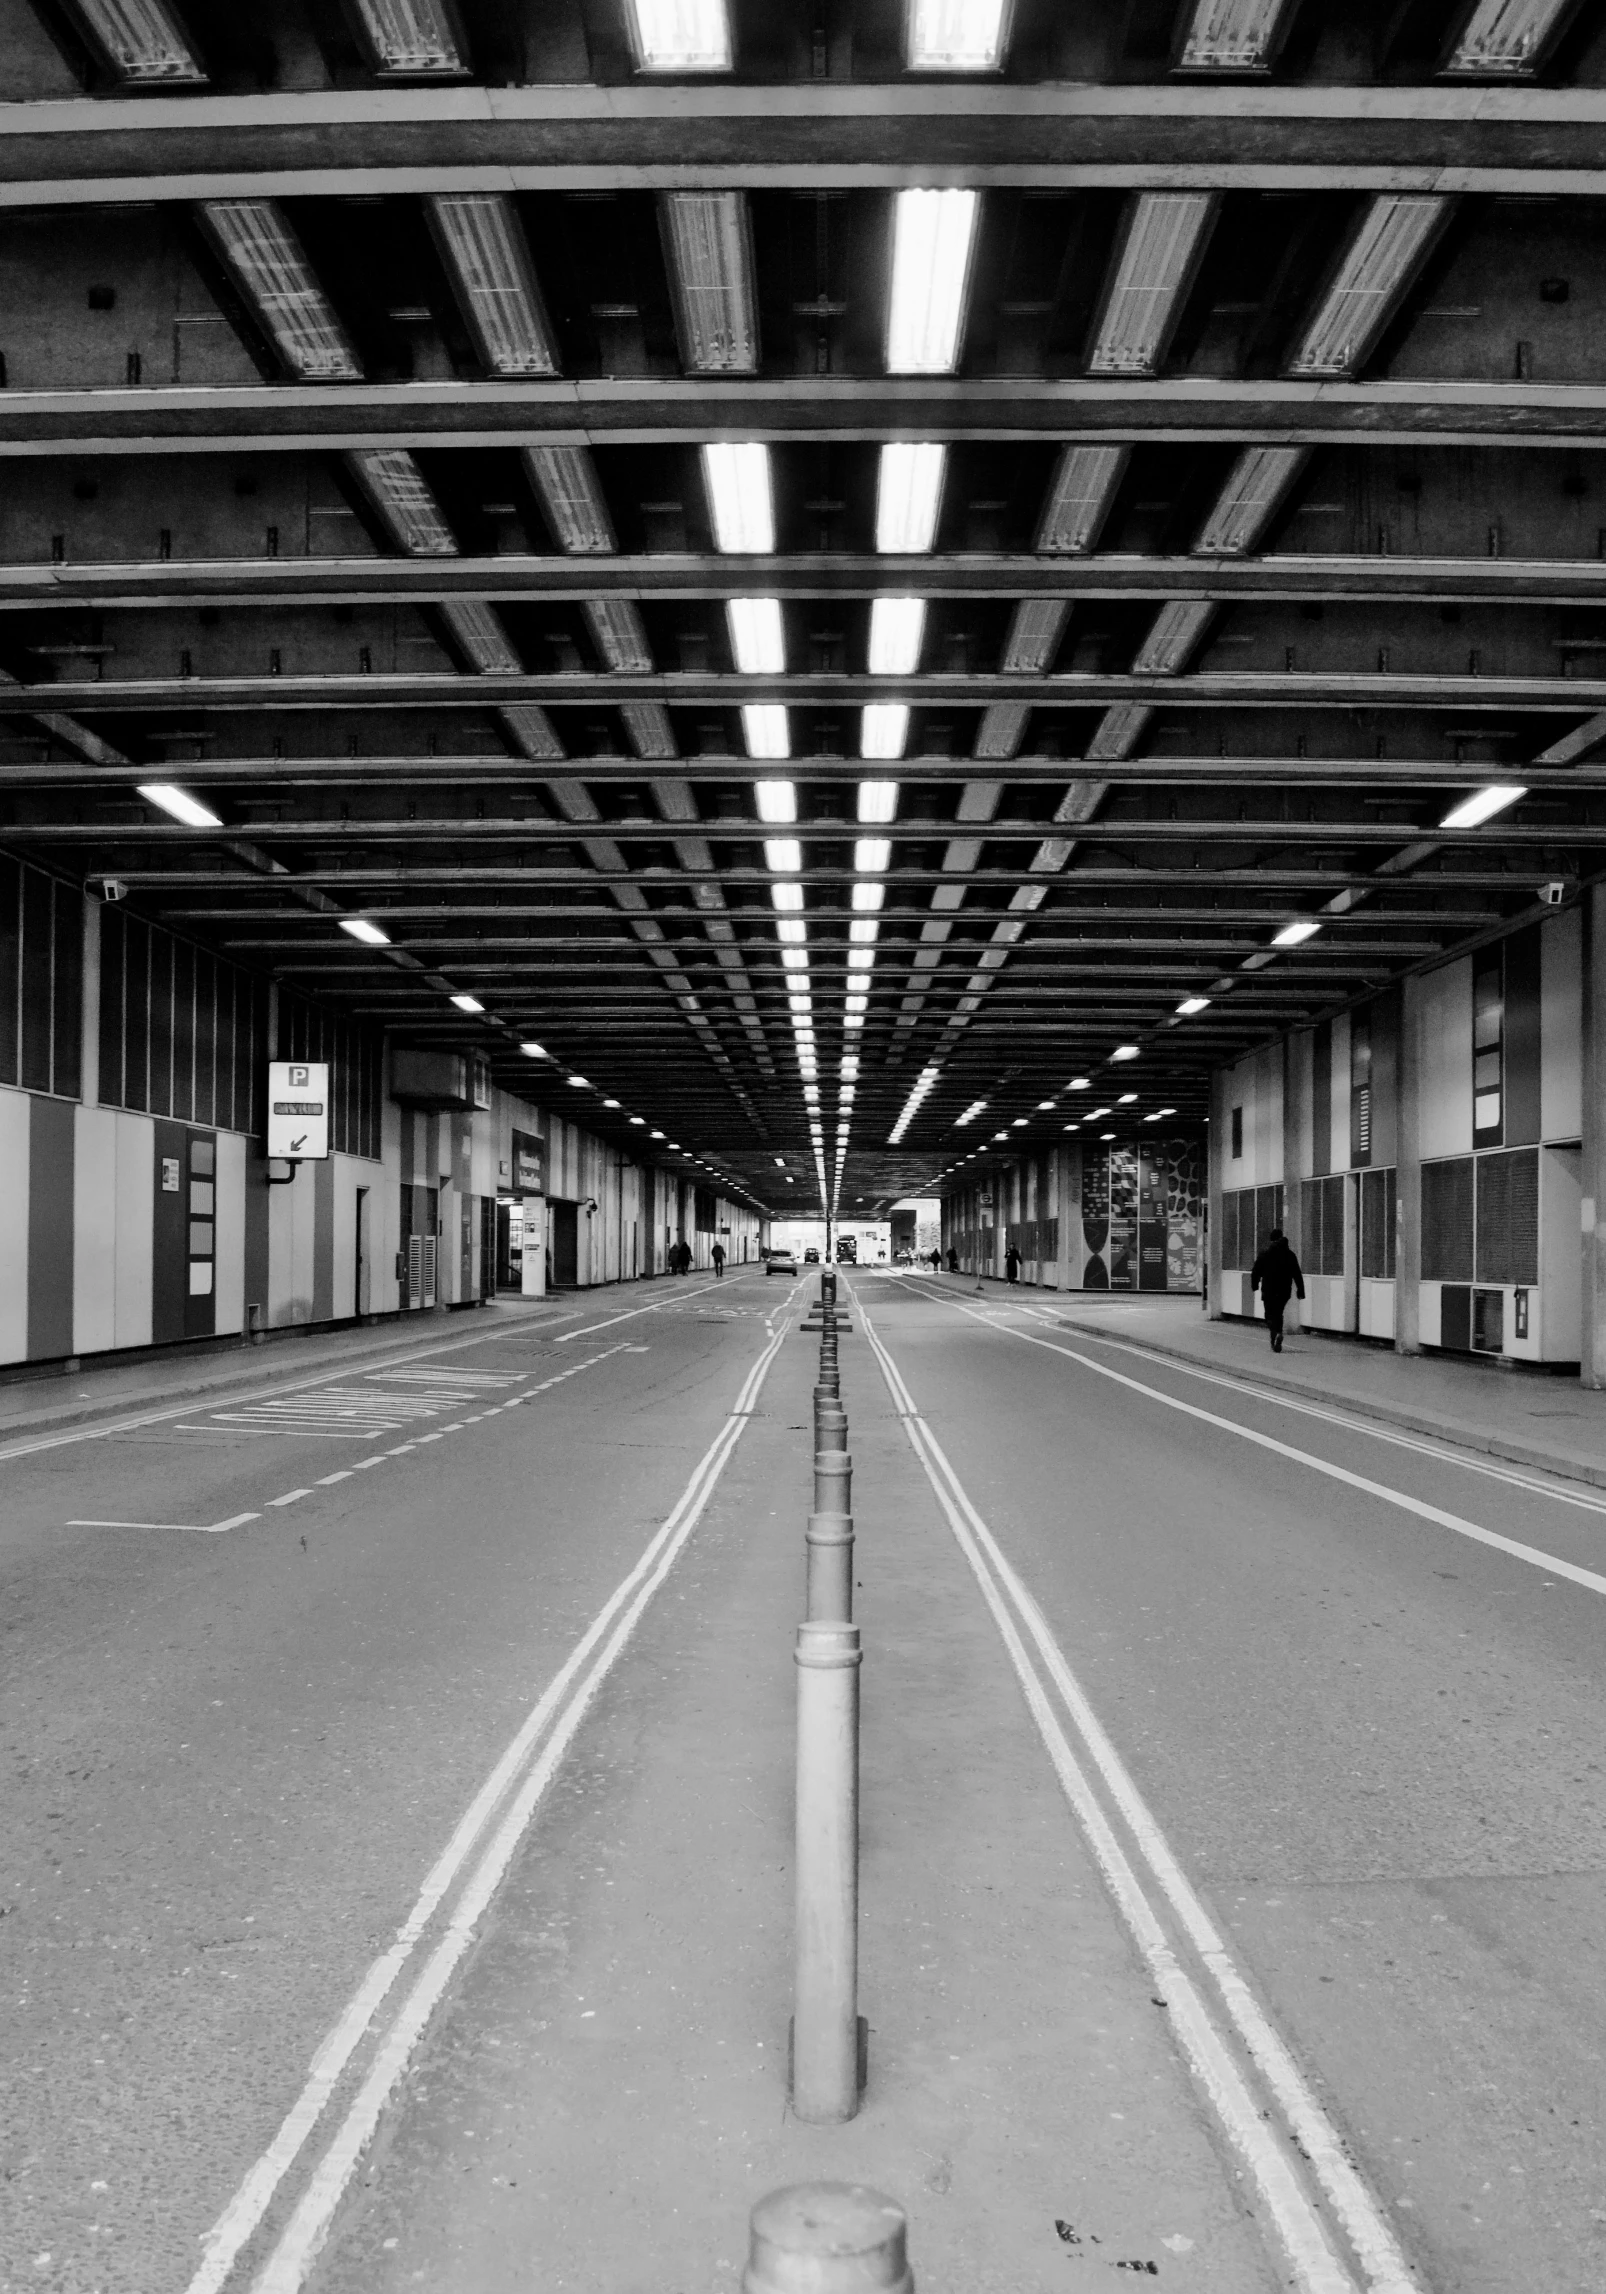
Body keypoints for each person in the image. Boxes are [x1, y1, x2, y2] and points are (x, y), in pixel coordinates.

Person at [1250, 1225, 1305, 1352]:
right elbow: (1297, 1273)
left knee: (1269, 1315)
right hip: (1284, 1290)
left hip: (1269, 1290)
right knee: (1278, 1313)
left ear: (1271, 1239)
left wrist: (1255, 1284)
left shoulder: (1265, 1253)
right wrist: (1301, 1290)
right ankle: (1278, 1334)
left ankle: (1275, 1334)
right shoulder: (1290, 1254)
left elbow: (1256, 1270)